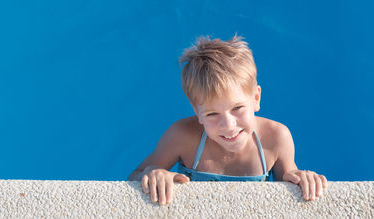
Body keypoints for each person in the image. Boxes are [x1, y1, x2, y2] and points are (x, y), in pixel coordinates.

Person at [128, 35, 328, 205]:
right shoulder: (182, 137)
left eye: (237, 108)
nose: (228, 125)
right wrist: (153, 173)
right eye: (212, 114)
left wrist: (302, 177)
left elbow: (289, 177)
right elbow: (135, 175)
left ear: (256, 98)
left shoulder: (275, 138)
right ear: (197, 112)